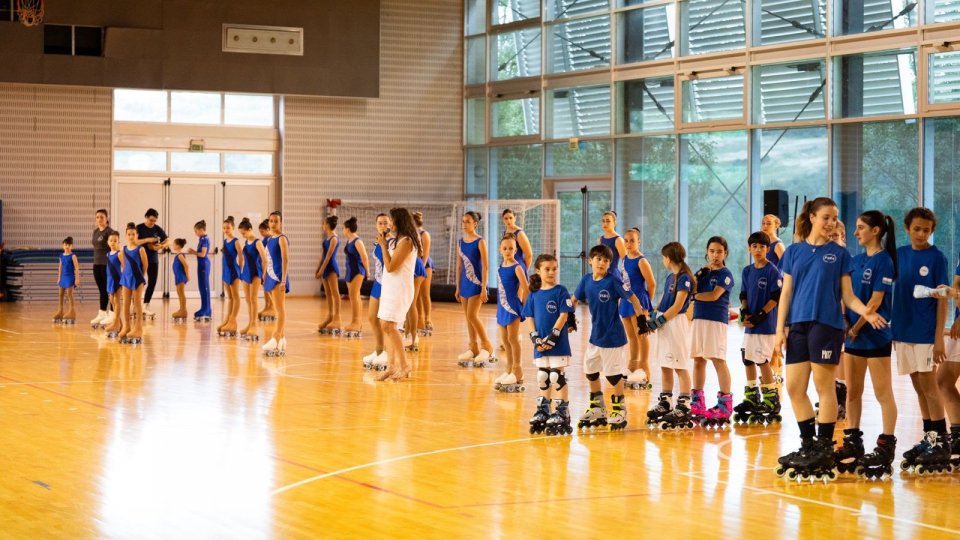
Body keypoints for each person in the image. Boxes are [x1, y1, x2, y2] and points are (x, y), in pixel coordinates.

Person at [772, 197, 885, 482]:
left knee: (825, 388)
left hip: (827, 326)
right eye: (826, 217)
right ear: (811, 217)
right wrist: (778, 331)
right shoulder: (794, 252)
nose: (831, 223)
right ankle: (809, 445)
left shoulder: (839, 254)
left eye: (834, 218)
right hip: (798, 325)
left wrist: (866, 312)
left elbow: (848, 296)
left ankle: (823, 447)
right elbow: (785, 294)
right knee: (795, 389)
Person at [833, 211, 899, 478]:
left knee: (883, 393)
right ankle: (853, 440)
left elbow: (874, 301)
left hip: (875, 336)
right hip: (853, 337)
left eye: (860, 227)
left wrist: (856, 328)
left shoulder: (884, 261)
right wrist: (845, 323)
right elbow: (846, 296)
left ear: (875, 231)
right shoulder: (855, 260)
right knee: (852, 393)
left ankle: (886, 445)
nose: (856, 232)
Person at [892, 207, 952, 474]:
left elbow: (942, 300)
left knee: (929, 385)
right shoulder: (899, 255)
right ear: (907, 228)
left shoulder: (937, 257)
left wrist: (939, 338)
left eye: (926, 230)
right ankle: (929, 437)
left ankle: (941, 442)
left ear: (931, 231)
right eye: (916, 229)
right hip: (903, 332)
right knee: (917, 385)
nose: (920, 233)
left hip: (926, 333)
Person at [573, 244, 644, 431]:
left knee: (613, 376)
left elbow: (633, 298)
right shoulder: (586, 280)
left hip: (613, 338)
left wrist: (642, 319)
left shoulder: (613, 281)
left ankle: (619, 409)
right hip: (595, 337)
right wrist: (568, 316)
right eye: (598, 259)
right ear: (590, 260)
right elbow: (573, 299)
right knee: (590, 371)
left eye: (606, 260)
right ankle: (597, 408)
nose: (602, 263)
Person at [733, 231, 783, 426]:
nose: (758, 250)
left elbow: (776, 297)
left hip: (766, 325)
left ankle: (771, 399)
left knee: (762, 361)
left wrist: (760, 315)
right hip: (750, 325)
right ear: (749, 248)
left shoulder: (772, 271)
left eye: (762, 247)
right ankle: (752, 396)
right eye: (755, 246)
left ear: (767, 249)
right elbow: (743, 294)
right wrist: (745, 313)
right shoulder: (747, 271)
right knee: (747, 359)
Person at [645, 242, 696, 430]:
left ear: (668, 257)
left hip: (676, 323)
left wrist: (659, 321)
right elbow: (665, 302)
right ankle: (666, 401)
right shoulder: (670, 277)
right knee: (665, 363)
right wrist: (653, 315)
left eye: (663, 257)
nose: (663, 260)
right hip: (666, 322)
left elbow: (677, 306)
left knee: (680, 365)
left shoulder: (685, 278)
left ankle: (684, 404)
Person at [524, 254, 576, 435]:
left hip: (558, 344)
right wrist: (535, 338)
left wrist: (553, 337)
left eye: (554, 269)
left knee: (556, 376)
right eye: (547, 269)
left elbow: (564, 315)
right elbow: (529, 317)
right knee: (542, 377)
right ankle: (544, 409)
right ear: (538, 271)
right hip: (540, 346)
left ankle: (563, 412)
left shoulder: (560, 291)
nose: (552, 272)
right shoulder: (533, 294)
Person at [690, 236, 735, 429]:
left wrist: (694, 296)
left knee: (718, 360)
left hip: (716, 321)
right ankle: (697, 402)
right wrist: (699, 274)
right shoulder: (703, 273)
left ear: (725, 253)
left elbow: (714, 295)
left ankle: (725, 405)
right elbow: (688, 286)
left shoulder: (726, 274)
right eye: (712, 251)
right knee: (698, 359)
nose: (715, 255)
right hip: (699, 319)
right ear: (707, 252)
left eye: (719, 251)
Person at [376, 207, 422, 381]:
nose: (389, 224)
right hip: (390, 286)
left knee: (390, 326)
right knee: (384, 325)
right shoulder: (396, 240)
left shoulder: (407, 241)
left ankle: (404, 365)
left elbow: (391, 266)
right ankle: (391, 366)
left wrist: (382, 246)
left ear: (399, 222)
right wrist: (385, 244)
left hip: (400, 288)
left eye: (392, 221)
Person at [456, 211, 495, 366]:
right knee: (468, 317)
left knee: (472, 315)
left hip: (476, 283)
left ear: (475, 224)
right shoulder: (460, 242)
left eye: (468, 221)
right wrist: (458, 287)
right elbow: (459, 266)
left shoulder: (480, 242)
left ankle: (487, 345)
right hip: (464, 283)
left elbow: (485, 266)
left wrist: (484, 287)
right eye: (463, 221)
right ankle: (473, 348)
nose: (465, 224)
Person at [622, 227, 656, 390]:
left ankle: (644, 369)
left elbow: (652, 283)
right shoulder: (624, 259)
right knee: (632, 336)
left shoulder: (641, 260)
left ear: (638, 242)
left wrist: (646, 305)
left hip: (639, 302)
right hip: (626, 301)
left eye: (632, 240)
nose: (629, 244)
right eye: (626, 240)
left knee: (641, 335)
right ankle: (632, 367)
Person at [493, 235, 529, 392]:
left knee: (513, 339)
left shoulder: (517, 267)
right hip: (501, 307)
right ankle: (508, 369)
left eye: (511, 248)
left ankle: (518, 370)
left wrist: (524, 306)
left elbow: (526, 288)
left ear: (515, 250)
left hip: (513, 307)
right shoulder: (501, 265)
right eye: (505, 248)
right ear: (501, 250)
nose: (508, 251)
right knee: (505, 340)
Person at [363, 214, 391, 370]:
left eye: (385, 223)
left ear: (391, 224)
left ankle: (387, 353)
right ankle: (379, 350)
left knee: (385, 321)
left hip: (388, 285)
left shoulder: (392, 242)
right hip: (377, 283)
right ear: (376, 225)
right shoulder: (377, 242)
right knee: (372, 317)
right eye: (380, 223)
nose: (382, 225)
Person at [262, 211, 290, 355]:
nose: (273, 224)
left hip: (279, 277)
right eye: (271, 221)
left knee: (280, 309)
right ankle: (282, 339)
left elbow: (285, 259)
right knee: (277, 307)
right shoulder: (270, 239)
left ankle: (276, 336)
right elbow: (268, 258)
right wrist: (264, 273)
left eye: (276, 221)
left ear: (281, 223)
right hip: (271, 276)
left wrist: (284, 279)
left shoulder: (282, 238)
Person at [136, 208, 169, 319]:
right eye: (151, 220)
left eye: (154, 221)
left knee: (152, 282)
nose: (152, 222)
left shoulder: (157, 229)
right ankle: (135, 305)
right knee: (138, 282)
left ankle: (146, 305)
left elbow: (168, 241)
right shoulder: (139, 227)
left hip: (153, 259)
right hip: (140, 259)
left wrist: (160, 246)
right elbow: (135, 242)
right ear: (146, 217)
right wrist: (147, 240)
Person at [119, 222, 149, 344]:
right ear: (126, 235)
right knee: (125, 303)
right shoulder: (123, 249)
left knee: (137, 303)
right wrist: (126, 273)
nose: (131, 236)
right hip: (126, 278)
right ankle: (127, 326)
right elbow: (123, 263)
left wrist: (142, 276)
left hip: (137, 278)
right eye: (129, 234)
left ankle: (138, 328)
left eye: (133, 234)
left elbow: (145, 264)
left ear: (136, 235)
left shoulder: (140, 249)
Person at [237, 219, 267, 339]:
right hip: (246, 274)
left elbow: (265, 260)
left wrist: (264, 275)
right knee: (248, 300)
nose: (242, 235)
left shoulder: (257, 242)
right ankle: (250, 323)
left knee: (253, 300)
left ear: (250, 230)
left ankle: (254, 325)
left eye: (243, 233)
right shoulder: (246, 242)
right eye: (241, 234)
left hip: (256, 273)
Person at [342, 216, 369, 338]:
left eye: (343, 228)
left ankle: (357, 322)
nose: (342, 230)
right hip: (350, 271)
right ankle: (354, 321)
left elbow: (364, 257)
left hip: (358, 270)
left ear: (347, 229)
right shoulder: (349, 240)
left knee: (355, 295)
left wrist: (367, 272)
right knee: (353, 296)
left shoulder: (358, 241)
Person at [90, 209, 116, 327]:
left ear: (106, 218)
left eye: (101, 217)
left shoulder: (110, 232)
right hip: (97, 264)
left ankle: (112, 314)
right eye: (97, 217)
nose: (99, 219)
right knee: (102, 290)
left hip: (107, 264)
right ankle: (102, 313)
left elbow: (114, 247)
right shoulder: (95, 231)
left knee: (110, 290)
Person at [316, 215, 342, 335]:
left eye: (324, 223)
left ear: (327, 225)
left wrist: (322, 269)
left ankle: (337, 318)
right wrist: (318, 268)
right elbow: (322, 255)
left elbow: (328, 256)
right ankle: (330, 316)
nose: (323, 225)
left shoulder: (334, 239)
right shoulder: (327, 238)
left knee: (335, 293)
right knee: (328, 293)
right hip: (325, 267)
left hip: (331, 267)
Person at [218, 216, 243, 337]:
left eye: (228, 228)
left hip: (234, 271)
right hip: (226, 272)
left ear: (233, 228)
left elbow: (241, 256)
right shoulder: (224, 241)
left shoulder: (236, 241)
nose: (226, 230)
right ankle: (228, 320)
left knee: (236, 296)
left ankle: (233, 321)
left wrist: (241, 270)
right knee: (230, 298)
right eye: (224, 228)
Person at [187, 220, 212, 322]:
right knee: (202, 287)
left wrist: (193, 252)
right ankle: (204, 308)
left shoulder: (205, 239)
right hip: (201, 264)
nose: (195, 233)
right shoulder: (201, 238)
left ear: (201, 230)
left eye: (196, 231)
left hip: (204, 264)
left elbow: (203, 254)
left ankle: (207, 309)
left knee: (205, 287)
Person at [413, 212, 434, 336]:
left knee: (424, 293)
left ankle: (428, 318)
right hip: (413, 265)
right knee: (416, 294)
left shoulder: (424, 234)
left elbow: (425, 255)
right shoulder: (410, 234)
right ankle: (418, 318)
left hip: (424, 265)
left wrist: (420, 268)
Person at [54, 236, 80, 324]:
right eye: (65, 245)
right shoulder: (61, 256)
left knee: (69, 294)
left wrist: (77, 279)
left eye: (69, 245)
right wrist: (59, 278)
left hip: (70, 277)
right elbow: (60, 267)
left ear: (71, 246)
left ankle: (72, 311)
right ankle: (60, 311)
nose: (67, 246)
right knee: (60, 294)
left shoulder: (73, 256)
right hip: (63, 277)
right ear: (63, 246)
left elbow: (76, 268)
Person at [103, 231, 124, 337]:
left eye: (115, 241)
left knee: (116, 301)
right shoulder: (107, 254)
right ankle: (119, 323)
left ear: (118, 242)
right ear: (108, 242)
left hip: (117, 279)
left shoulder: (119, 253)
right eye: (111, 240)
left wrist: (125, 280)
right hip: (109, 279)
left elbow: (125, 267)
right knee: (112, 301)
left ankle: (116, 323)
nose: (113, 242)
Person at [257, 219, 276, 321]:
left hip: (269, 266)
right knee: (265, 288)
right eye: (260, 231)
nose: (261, 233)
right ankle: (267, 306)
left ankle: (273, 307)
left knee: (269, 288)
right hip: (263, 266)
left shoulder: (270, 239)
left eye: (263, 231)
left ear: (268, 229)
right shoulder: (264, 239)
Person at [170, 238, 190, 322]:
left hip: (181, 277)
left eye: (174, 244)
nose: (172, 245)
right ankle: (181, 309)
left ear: (177, 246)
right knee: (179, 293)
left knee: (181, 293)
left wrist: (187, 276)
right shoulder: (178, 255)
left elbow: (186, 266)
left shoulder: (180, 255)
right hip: (178, 277)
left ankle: (183, 310)